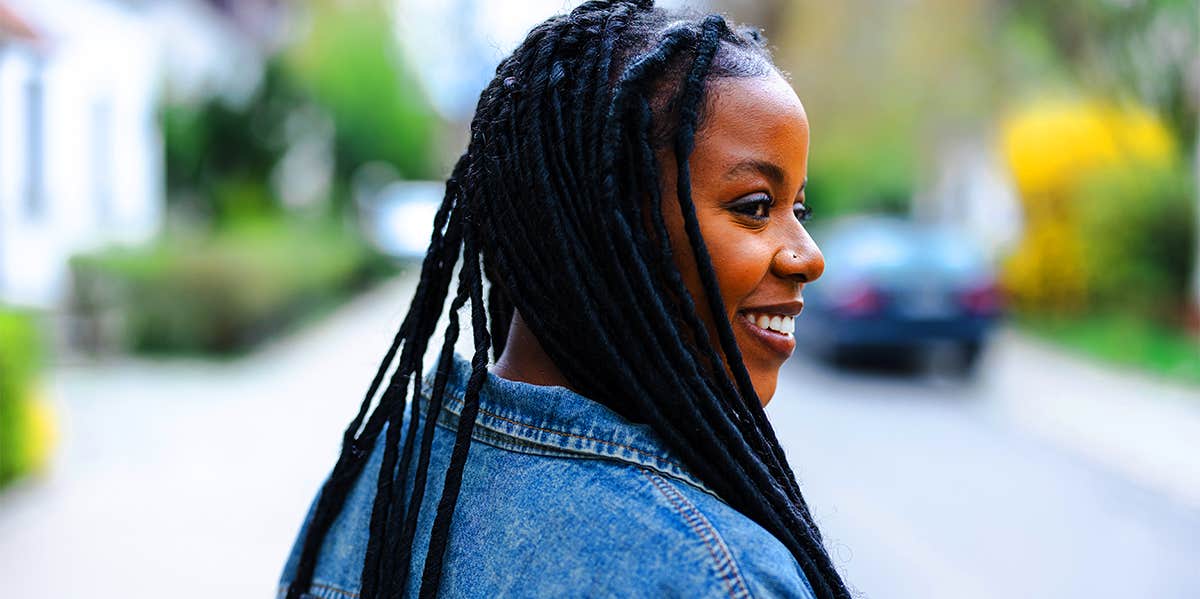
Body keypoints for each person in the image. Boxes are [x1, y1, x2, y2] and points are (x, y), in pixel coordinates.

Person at [279, 1, 851, 597]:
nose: (809, 256)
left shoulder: (381, 476)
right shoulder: (716, 573)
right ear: (606, 222)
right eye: (755, 207)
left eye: (799, 209)